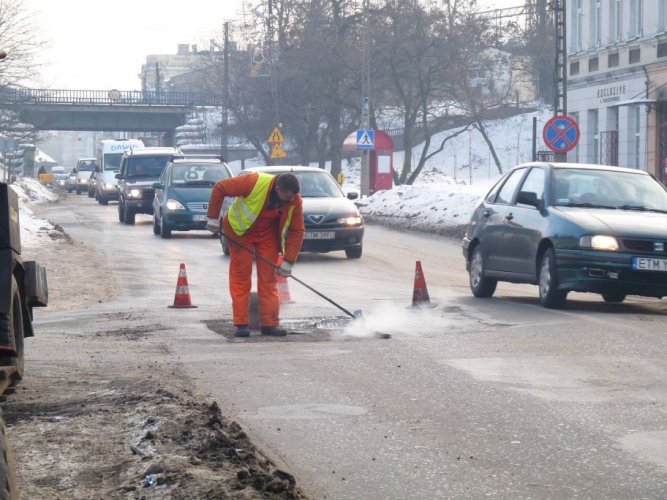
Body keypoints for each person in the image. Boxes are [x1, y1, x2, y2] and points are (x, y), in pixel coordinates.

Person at [206, 172, 305, 337]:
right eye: (285, 197)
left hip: (267, 234)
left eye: (292, 197)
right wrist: (213, 218)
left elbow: (297, 230)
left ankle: (270, 324)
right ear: (278, 188)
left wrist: (288, 260)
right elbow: (220, 188)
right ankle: (241, 324)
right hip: (240, 231)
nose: (288, 201)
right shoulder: (253, 182)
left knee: (268, 278)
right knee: (241, 276)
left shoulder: (294, 200)